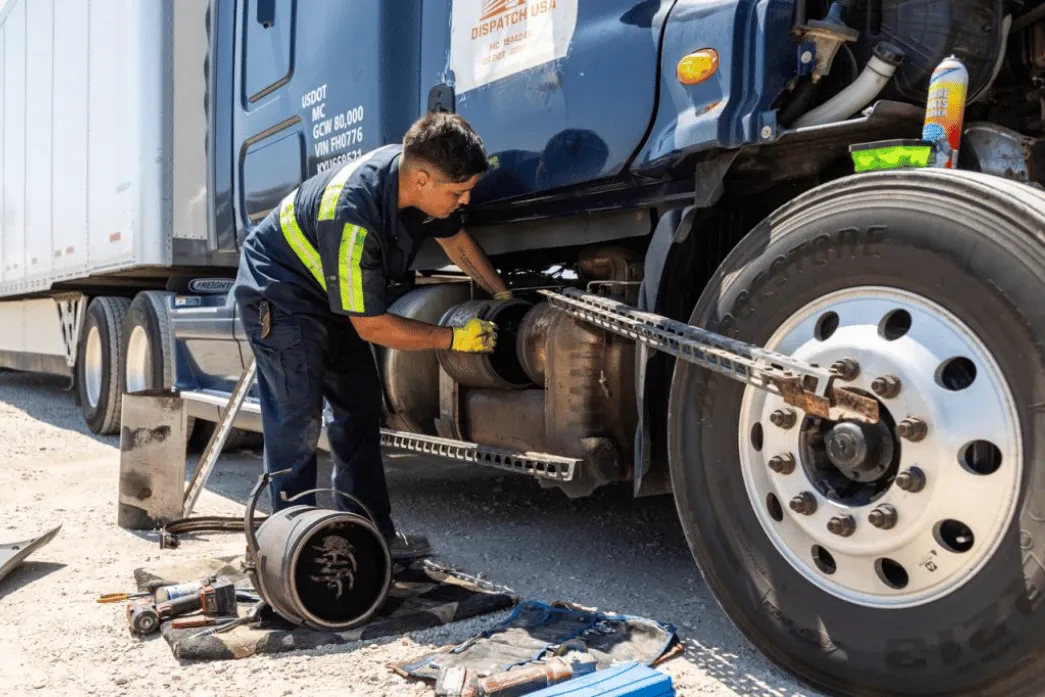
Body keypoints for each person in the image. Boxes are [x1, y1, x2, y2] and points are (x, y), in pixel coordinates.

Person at [231, 112, 510, 560]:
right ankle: (290, 549)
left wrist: (502, 295)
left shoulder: (414, 185)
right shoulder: (351, 214)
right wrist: (454, 337)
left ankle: (370, 533)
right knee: (296, 420)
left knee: (359, 409)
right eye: (458, 192)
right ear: (422, 180)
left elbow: (456, 241)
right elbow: (372, 326)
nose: (466, 200)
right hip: (282, 293)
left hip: (333, 295)